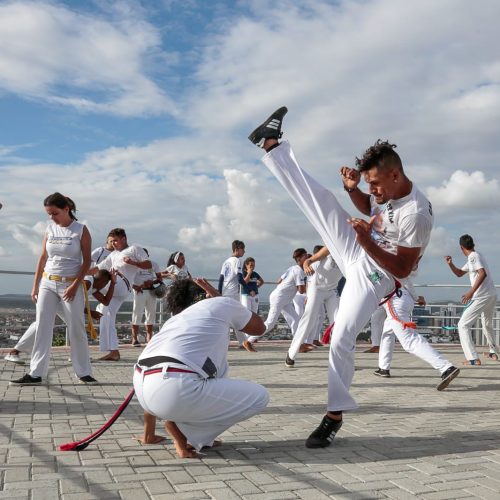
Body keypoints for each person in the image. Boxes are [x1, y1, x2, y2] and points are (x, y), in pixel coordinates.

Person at [248, 106, 459, 448]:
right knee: (324, 201)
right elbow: (367, 208)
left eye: (374, 183)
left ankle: (334, 415)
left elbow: (402, 269)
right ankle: (272, 145)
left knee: (343, 335)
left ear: (394, 176)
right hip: (360, 248)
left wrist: (363, 241)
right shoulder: (385, 191)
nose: (371, 190)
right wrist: (351, 189)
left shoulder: (416, 213)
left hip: (381, 274)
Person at [133, 278, 269, 458]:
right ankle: (186, 433)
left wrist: (148, 435)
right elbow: (259, 327)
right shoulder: (220, 303)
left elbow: (154, 368)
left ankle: (196, 436)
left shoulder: (175, 321)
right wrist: (219, 298)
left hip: (142, 389)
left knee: (215, 370)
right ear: (205, 294)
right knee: (259, 397)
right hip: (175, 389)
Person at [11, 193, 97, 385]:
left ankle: (83, 371)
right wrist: (35, 286)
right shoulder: (50, 228)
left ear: (66, 209)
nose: (51, 218)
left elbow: (87, 261)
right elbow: (43, 257)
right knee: (42, 326)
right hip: (47, 282)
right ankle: (35, 373)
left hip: (70, 283)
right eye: (49, 214)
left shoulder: (80, 230)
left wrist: (75, 285)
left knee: (76, 327)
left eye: (55, 213)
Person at [5, 270, 115, 364]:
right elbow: (72, 302)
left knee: (75, 326)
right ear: (103, 281)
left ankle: (77, 356)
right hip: (55, 298)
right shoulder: (87, 283)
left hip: (61, 301)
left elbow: (106, 301)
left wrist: (113, 283)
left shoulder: (94, 287)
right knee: (43, 324)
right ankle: (14, 352)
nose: (105, 287)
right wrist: (90, 312)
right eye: (106, 284)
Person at [92, 228, 151, 361]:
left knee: (91, 283)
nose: (113, 244)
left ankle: (81, 287)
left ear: (124, 239)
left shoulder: (134, 249)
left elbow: (148, 264)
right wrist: (82, 272)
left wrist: (133, 262)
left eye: (115, 241)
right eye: (111, 242)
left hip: (122, 283)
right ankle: (113, 352)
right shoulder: (113, 255)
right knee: (105, 314)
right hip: (113, 286)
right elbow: (98, 267)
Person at [445, 234, 499, 365]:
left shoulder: (473, 257)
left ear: (461, 247)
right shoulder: (474, 257)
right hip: (491, 295)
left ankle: (473, 358)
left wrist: (470, 292)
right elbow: (459, 273)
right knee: (486, 324)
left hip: (481, 296)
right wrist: (450, 264)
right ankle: (493, 352)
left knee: (462, 325)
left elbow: (482, 273)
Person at [286, 245, 343, 367]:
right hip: (316, 288)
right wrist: (306, 265)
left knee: (338, 323)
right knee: (309, 320)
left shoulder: (351, 253)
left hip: (332, 290)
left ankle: (341, 359)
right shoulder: (331, 246)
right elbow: (308, 260)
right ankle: (291, 354)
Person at [246, 248, 307, 348]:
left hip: (283, 299)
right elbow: (301, 291)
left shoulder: (292, 268)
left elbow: (279, 280)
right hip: (279, 299)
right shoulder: (299, 271)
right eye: (305, 256)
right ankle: (249, 341)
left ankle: (298, 345)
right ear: (300, 258)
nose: (307, 258)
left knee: (296, 320)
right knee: (270, 324)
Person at [373, 282, 426, 377]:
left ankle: (445, 367)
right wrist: (416, 298)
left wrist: (417, 298)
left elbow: (406, 280)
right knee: (388, 333)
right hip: (403, 299)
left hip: (395, 300)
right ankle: (383, 368)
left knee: (408, 340)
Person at [218, 240, 249, 348]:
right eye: (242, 249)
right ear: (236, 249)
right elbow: (240, 278)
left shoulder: (226, 261)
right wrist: (248, 288)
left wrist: (219, 292)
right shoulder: (237, 261)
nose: (244, 251)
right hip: (233, 294)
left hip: (225, 292)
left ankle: (243, 342)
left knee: (232, 318)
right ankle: (242, 342)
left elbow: (221, 279)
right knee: (236, 318)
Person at [131, 249, 163, 346]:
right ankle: (134, 338)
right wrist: (136, 286)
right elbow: (128, 278)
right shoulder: (134, 266)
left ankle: (149, 337)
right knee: (137, 314)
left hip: (151, 291)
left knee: (151, 314)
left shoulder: (154, 264)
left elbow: (159, 278)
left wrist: (151, 282)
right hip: (139, 291)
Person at [239, 257, 264, 352]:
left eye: (253, 265)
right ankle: (246, 340)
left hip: (255, 296)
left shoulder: (255, 274)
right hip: (246, 295)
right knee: (246, 316)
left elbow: (262, 281)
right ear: (246, 265)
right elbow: (244, 282)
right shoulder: (243, 273)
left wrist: (256, 288)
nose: (252, 267)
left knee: (254, 315)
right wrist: (249, 272)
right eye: (250, 265)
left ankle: (250, 340)